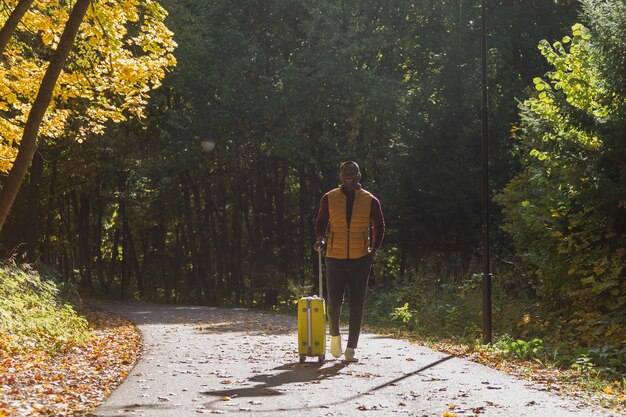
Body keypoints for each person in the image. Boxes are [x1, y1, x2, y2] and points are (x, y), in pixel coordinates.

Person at [313, 161, 385, 362]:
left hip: (361, 259)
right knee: (334, 304)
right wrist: (320, 238)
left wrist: (374, 249)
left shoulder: (370, 200)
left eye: (353, 173)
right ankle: (335, 335)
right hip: (335, 258)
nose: (349, 177)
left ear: (359, 175)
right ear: (340, 176)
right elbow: (321, 222)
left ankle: (351, 349)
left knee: (357, 305)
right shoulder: (330, 197)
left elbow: (379, 225)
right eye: (346, 173)